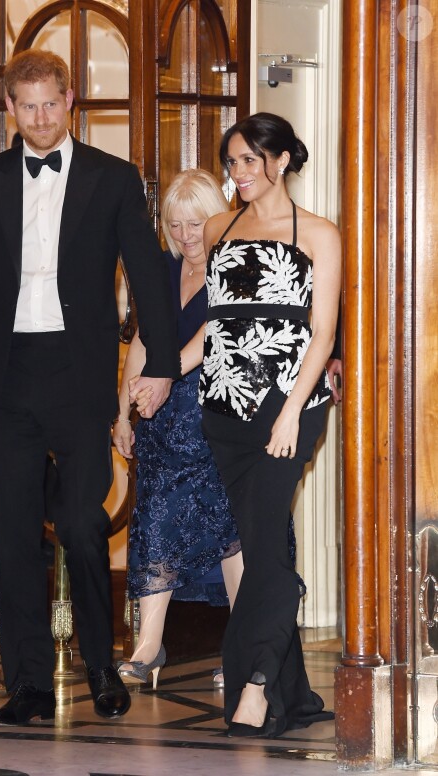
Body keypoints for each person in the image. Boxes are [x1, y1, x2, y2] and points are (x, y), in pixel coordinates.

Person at [0, 50, 180, 724]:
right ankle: (30, 685)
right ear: (10, 107)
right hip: (8, 378)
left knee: (80, 522)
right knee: (12, 534)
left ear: (70, 100)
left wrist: (160, 367)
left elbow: (148, 275)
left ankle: (100, 664)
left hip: (79, 377)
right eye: (26, 105)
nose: (39, 117)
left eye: (50, 103)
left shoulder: (113, 178)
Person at [198, 113, 341, 737]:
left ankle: (255, 683)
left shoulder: (318, 233)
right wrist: (159, 374)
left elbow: (323, 333)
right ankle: (295, 694)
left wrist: (289, 412)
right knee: (263, 544)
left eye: (251, 161)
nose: (240, 174)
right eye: (232, 163)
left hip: (291, 410)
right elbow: (215, 325)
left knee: (264, 551)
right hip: (224, 408)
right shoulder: (214, 229)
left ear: (281, 161)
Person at [113, 170, 243, 688]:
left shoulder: (235, 269)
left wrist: (164, 376)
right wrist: (122, 410)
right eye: (176, 223)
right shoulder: (163, 270)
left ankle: (244, 644)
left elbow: (213, 339)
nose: (188, 234)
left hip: (218, 413)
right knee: (155, 523)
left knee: (230, 531)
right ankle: (149, 644)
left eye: (197, 222)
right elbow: (146, 340)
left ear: (216, 219)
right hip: (162, 416)